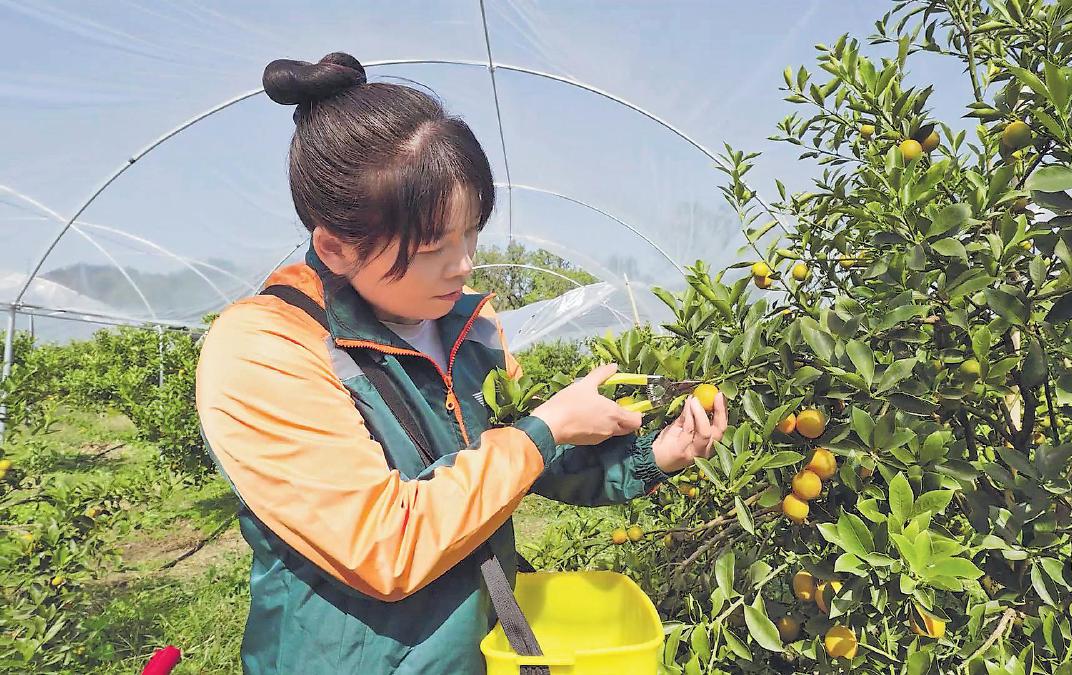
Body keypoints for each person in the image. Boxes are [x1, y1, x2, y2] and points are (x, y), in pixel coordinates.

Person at [194, 51, 728, 675]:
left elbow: (518, 469)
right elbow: (384, 545)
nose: (463, 264)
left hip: (475, 649)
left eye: (471, 233)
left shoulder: (468, 325)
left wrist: (656, 454)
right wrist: (545, 429)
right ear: (335, 248)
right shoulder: (268, 346)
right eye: (431, 248)